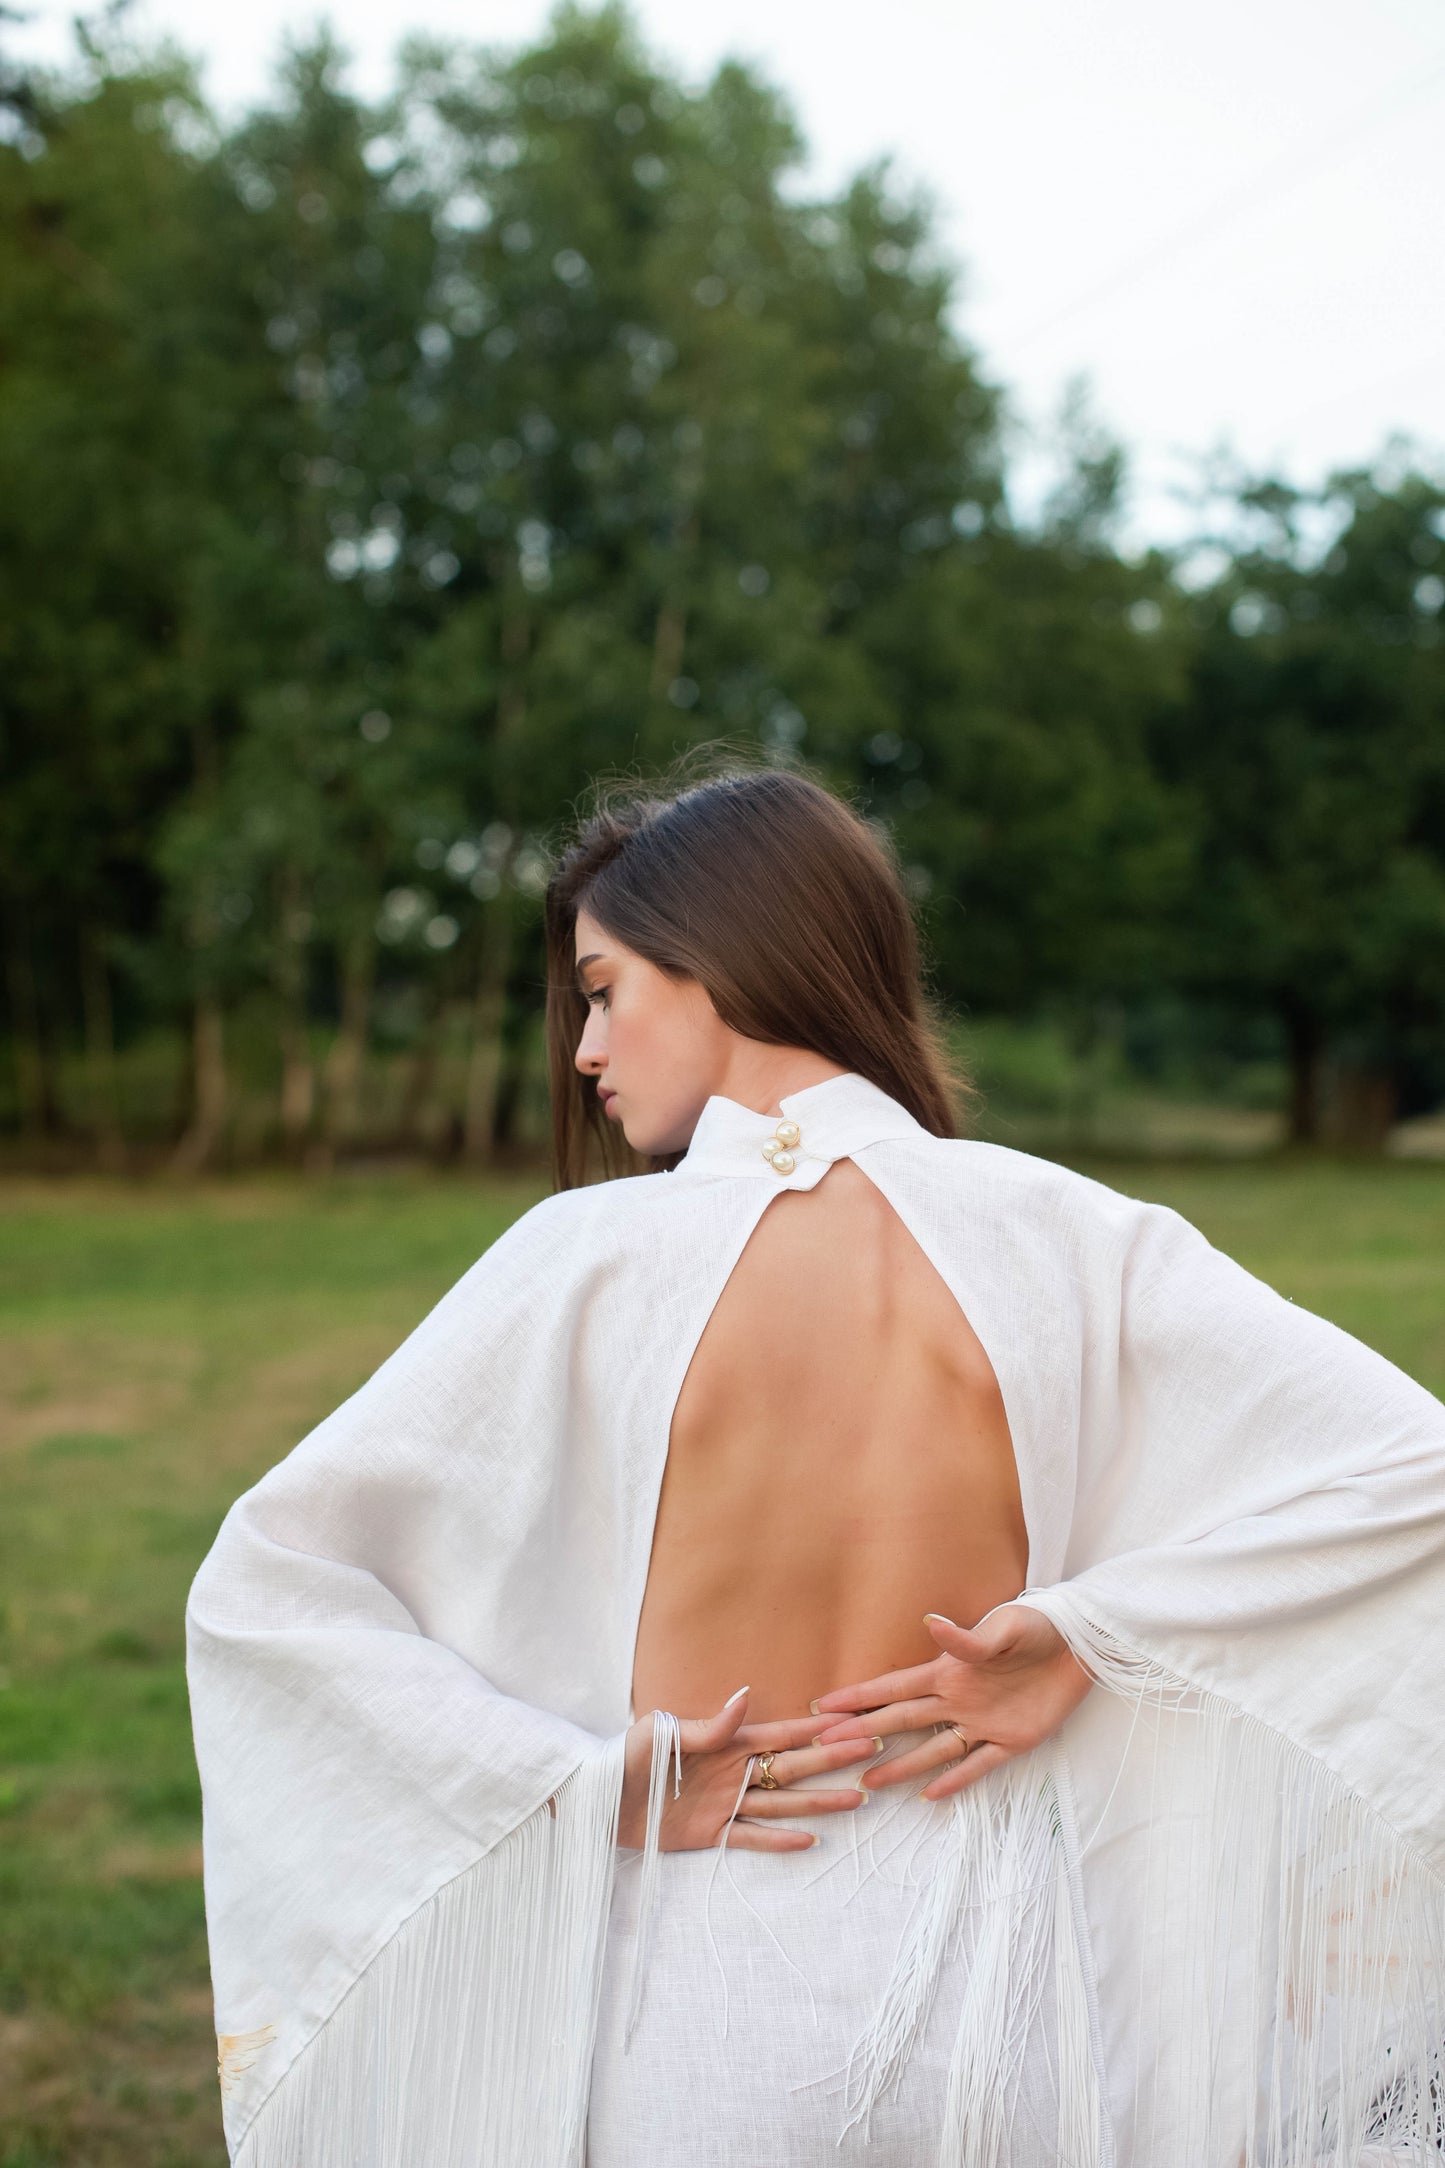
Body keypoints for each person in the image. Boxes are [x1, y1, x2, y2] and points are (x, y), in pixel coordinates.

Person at [187, 767, 1445, 2168]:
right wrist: (1094, 1637)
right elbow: (1413, 1475)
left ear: (716, 964)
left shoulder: (576, 1264)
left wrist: (574, 1782)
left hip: (705, 1992)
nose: (585, 1049)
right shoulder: (1070, 1234)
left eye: (602, 990)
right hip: (1019, 2004)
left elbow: (266, 1592)